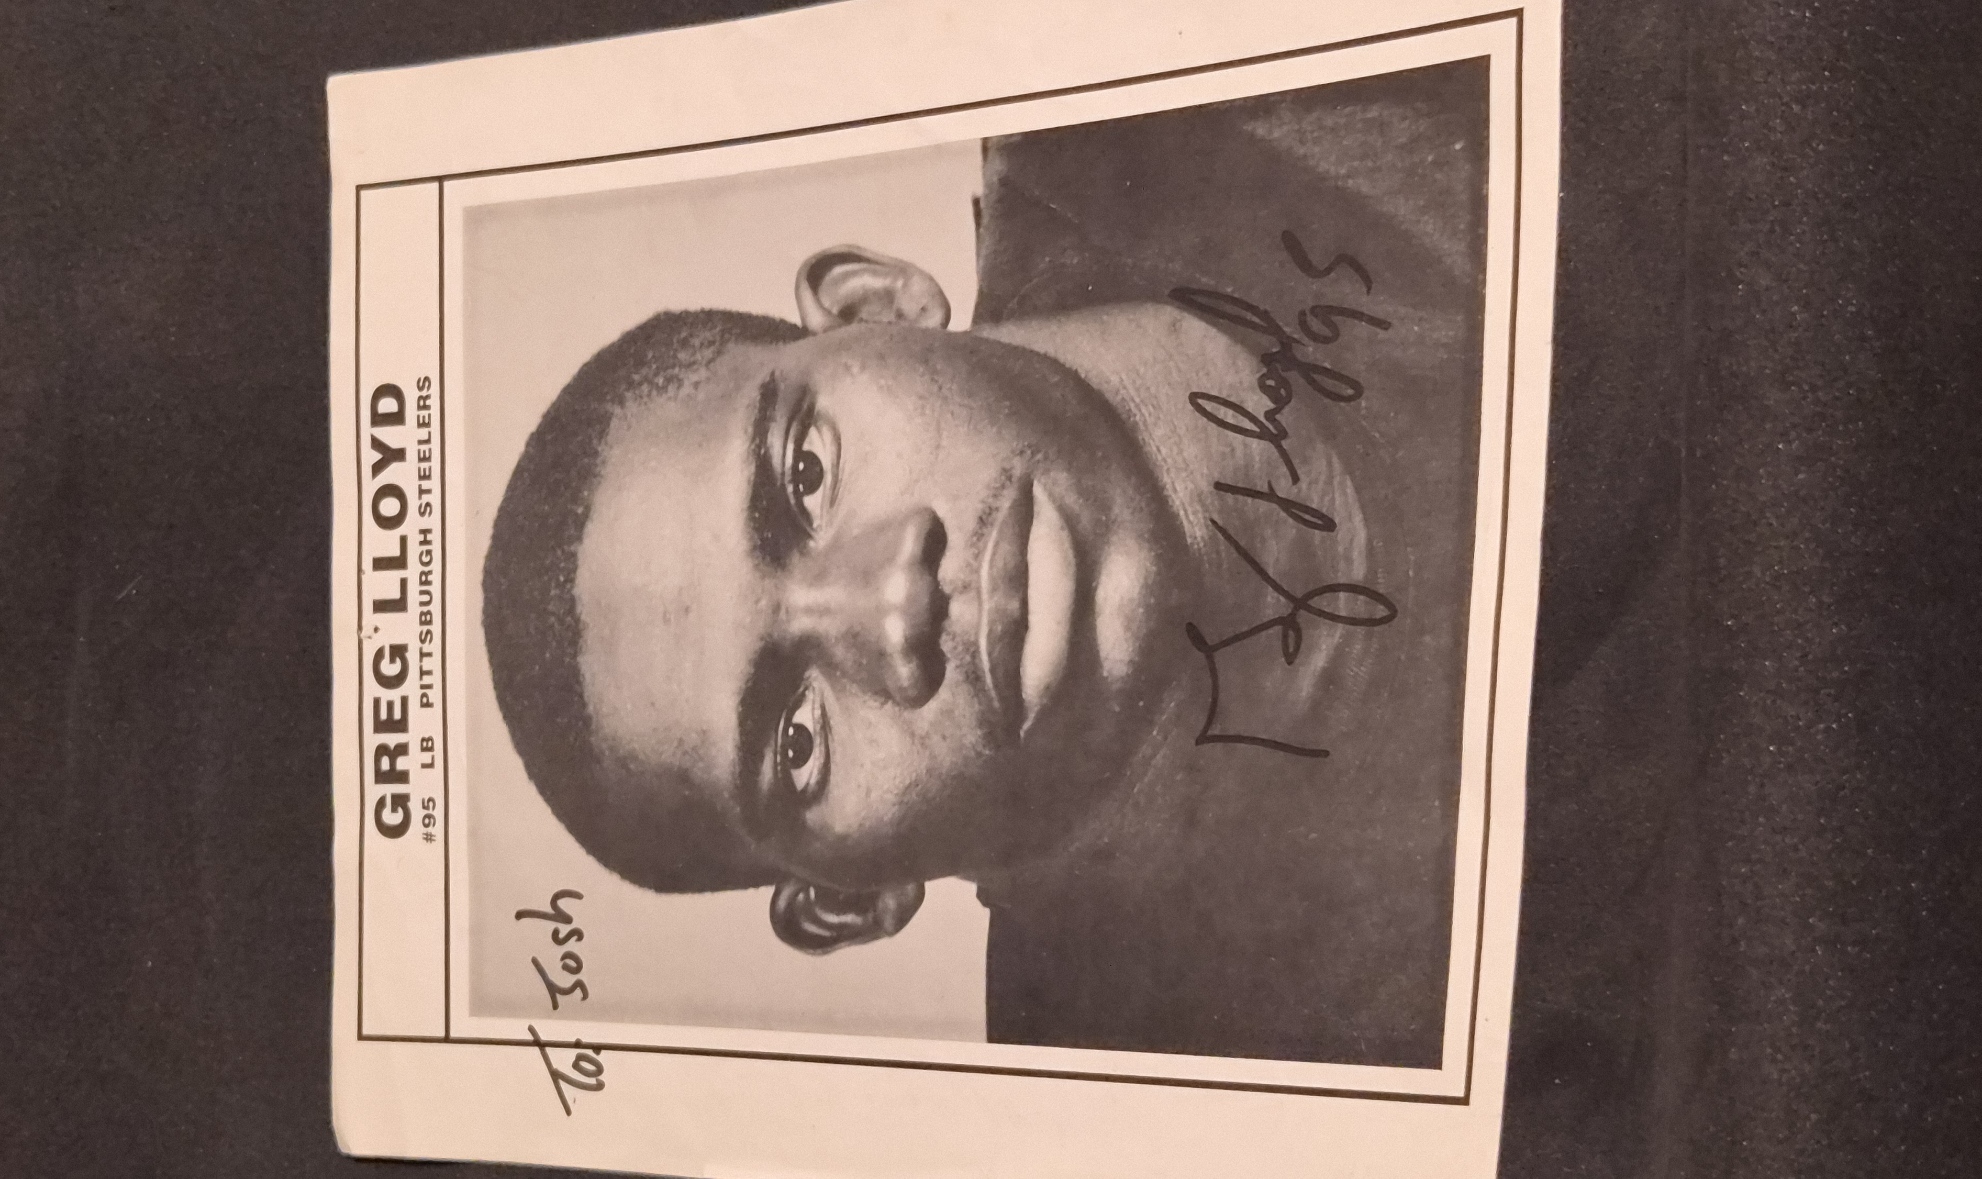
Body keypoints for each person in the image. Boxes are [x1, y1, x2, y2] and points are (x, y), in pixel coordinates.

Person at [483, 60, 1489, 1065]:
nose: (889, 606)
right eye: (795, 740)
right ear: (853, 899)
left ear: (873, 306)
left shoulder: (1159, 65)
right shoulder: (1169, 1119)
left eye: (808, 475)